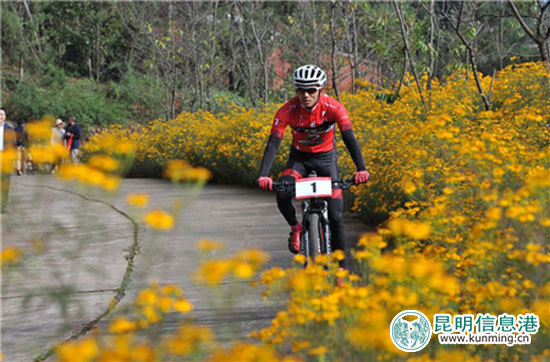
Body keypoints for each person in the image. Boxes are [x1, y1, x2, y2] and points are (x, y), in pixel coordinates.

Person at [257, 65, 369, 266]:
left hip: (326, 159)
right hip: (299, 159)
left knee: (336, 218)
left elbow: (349, 138)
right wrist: (263, 175)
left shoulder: (335, 108)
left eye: (311, 90)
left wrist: (361, 169)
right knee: (282, 194)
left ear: (321, 90)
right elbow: (273, 143)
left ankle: (341, 273)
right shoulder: (286, 111)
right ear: (295, 91)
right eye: (300, 90)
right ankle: (296, 228)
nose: (305, 95)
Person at [0, 107, 16, 213]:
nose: (0, 116)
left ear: (5, 117)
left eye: (1, 114)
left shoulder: (10, 129)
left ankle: (3, 207)